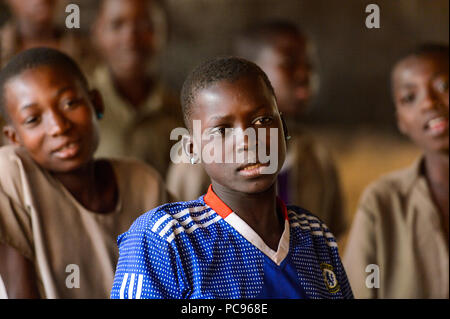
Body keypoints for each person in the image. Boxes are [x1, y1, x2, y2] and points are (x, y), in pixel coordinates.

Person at [111, 56, 353, 299]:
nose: (248, 141)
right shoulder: (165, 240)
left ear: (284, 129)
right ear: (193, 149)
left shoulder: (314, 235)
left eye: (262, 120)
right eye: (223, 130)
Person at [0, 47, 170, 298]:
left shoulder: (143, 183)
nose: (59, 127)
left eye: (69, 103)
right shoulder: (13, 174)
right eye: (33, 119)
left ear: (96, 103)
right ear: (14, 138)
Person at [167, 21, 347, 239]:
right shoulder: (197, 164)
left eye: (309, 65)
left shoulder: (316, 156)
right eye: (289, 64)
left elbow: (336, 235)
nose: (304, 75)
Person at [343, 44, 449, 299]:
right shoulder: (381, 203)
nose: (429, 103)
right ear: (401, 121)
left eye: (444, 87)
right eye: (409, 97)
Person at [90, 0, 181, 177]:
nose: (130, 38)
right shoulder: (80, 102)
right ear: (97, 33)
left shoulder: (179, 112)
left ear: (163, 34)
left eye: (145, 25)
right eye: (117, 25)